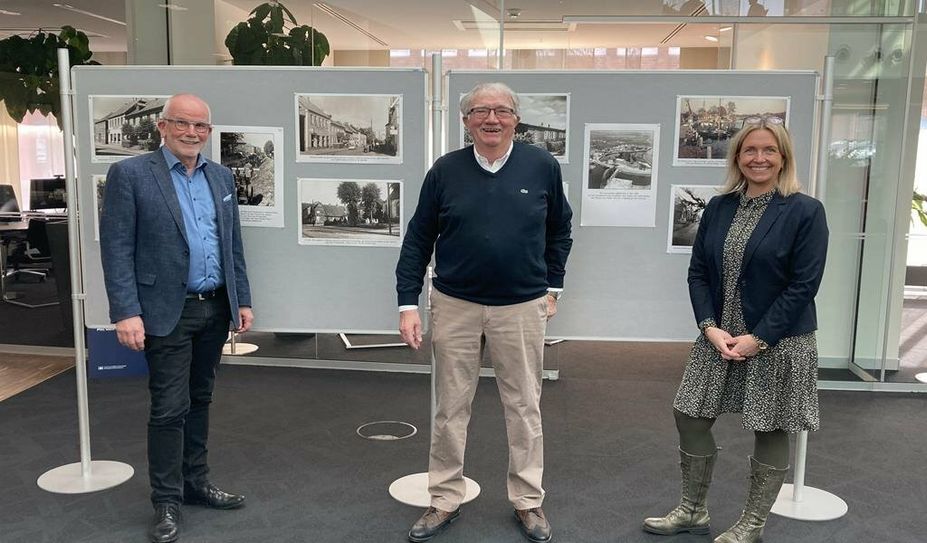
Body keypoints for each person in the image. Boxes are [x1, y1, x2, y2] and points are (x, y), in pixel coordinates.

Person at [396, 82, 573, 543]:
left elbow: (560, 230)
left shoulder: (541, 165)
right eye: (480, 111)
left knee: (524, 406)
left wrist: (553, 287)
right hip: (455, 305)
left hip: (521, 306)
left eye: (501, 111)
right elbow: (418, 239)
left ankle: (528, 501)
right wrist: (407, 303)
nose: (490, 119)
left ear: (516, 118)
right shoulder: (444, 171)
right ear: (465, 120)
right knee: (450, 408)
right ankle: (444, 498)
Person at [642, 117, 828, 543]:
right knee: (689, 414)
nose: (758, 158)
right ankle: (692, 510)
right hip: (719, 335)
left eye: (769, 151)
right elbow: (698, 274)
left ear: (783, 158)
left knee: (770, 425)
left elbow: (804, 285)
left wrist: (758, 338)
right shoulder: (720, 206)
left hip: (778, 340)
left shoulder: (805, 210)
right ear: (737, 157)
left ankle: (753, 524)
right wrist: (709, 327)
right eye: (750, 150)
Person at [100, 93, 254, 543]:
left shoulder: (221, 176)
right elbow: (116, 248)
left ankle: (196, 483)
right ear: (162, 127)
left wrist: (241, 299)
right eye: (182, 124)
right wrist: (126, 310)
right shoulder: (130, 174)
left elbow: (233, 247)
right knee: (169, 407)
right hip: (165, 311)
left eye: (201, 126)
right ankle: (166, 499)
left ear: (209, 132)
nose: (192, 133)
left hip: (213, 307)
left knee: (201, 399)